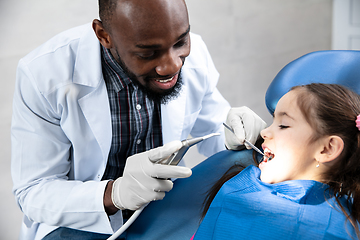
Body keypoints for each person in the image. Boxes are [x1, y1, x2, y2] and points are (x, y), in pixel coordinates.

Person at [11, 0, 266, 239]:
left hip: (166, 209)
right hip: (80, 220)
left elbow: (213, 125)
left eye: (181, 42)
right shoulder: (44, 74)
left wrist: (232, 129)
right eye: (148, 53)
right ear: (104, 36)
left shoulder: (194, 53)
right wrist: (116, 194)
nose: (171, 66)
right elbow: (33, 191)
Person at [193, 83, 360, 240]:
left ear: (327, 149)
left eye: (283, 125)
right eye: (273, 121)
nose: (265, 131)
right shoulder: (242, 185)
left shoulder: (334, 229)